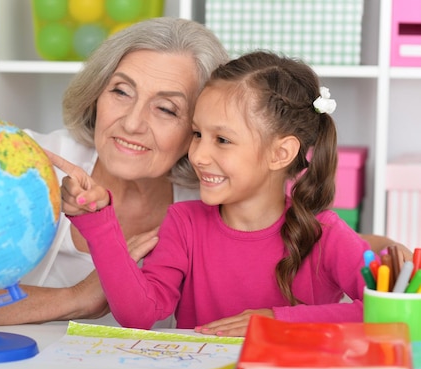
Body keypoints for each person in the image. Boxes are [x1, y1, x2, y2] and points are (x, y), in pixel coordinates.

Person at [0, 18, 410, 328]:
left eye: (166, 109)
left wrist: (363, 251)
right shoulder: (32, 168)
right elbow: (141, 312)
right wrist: (90, 260)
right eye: (121, 91)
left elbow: (385, 304)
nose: (134, 122)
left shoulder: (207, 199)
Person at [48, 51, 375, 336]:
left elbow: (398, 313)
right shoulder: (184, 221)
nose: (198, 155)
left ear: (280, 153)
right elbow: (139, 316)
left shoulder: (326, 233)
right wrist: (99, 226)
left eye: (222, 140)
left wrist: (276, 321)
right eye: (197, 134)